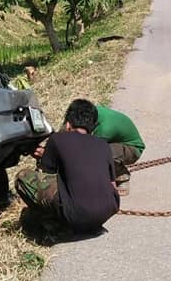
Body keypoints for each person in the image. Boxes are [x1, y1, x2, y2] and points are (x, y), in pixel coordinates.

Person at [15, 99, 119, 232]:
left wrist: (43, 156)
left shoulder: (57, 139)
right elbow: (112, 184)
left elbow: (45, 174)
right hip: (107, 211)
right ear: (92, 127)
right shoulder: (103, 145)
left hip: (76, 215)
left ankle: (48, 221)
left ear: (68, 124)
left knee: (22, 176)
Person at [92, 105, 145, 196]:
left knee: (100, 154)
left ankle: (122, 176)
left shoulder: (104, 129)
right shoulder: (91, 111)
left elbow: (88, 152)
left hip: (132, 148)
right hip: (114, 142)